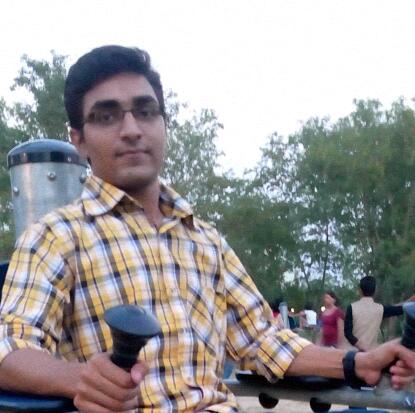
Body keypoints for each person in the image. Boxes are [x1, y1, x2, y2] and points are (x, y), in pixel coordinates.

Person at [0, 45, 413, 413]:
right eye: (106, 116)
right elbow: (10, 346)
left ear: (163, 124)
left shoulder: (205, 240)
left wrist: (359, 362)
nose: (131, 129)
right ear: (79, 140)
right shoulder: (56, 237)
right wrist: (79, 380)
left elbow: (262, 340)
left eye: (145, 111)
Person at [344, 275, 415, 351]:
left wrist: (361, 346)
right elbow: (401, 308)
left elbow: (348, 333)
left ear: (360, 290)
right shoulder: (380, 309)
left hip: (352, 353)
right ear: (375, 291)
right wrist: (412, 299)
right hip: (372, 353)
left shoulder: (351, 308)